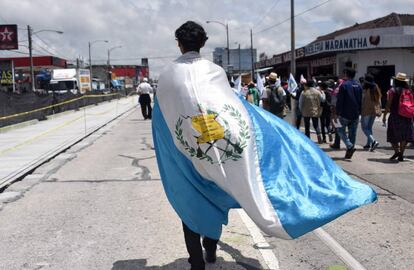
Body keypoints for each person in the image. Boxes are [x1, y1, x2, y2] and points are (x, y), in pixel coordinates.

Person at [382, 72, 414, 161]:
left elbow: (388, 104)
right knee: (404, 136)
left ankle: (397, 151)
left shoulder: (392, 90)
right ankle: (401, 154)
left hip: (395, 116)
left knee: (392, 135)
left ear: (396, 80)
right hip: (407, 116)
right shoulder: (409, 91)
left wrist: (384, 115)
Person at [335, 68, 362, 159]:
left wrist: (337, 112)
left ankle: (349, 146)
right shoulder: (359, 85)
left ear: (346, 74)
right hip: (355, 114)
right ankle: (349, 152)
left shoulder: (344, 85)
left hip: (344, 113)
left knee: (339, 129)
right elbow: (361, 100)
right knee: (352, 134)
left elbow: (340, 100)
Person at [361, 74, 382, 151]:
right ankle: (368, 144)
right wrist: (379, 110)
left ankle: (373, 141)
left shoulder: (365, 89)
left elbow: (362, 100)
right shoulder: (376, 87)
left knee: (364, 128)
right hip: (374, 110)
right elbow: (379, 99)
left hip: (366, 110)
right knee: (369, 128)